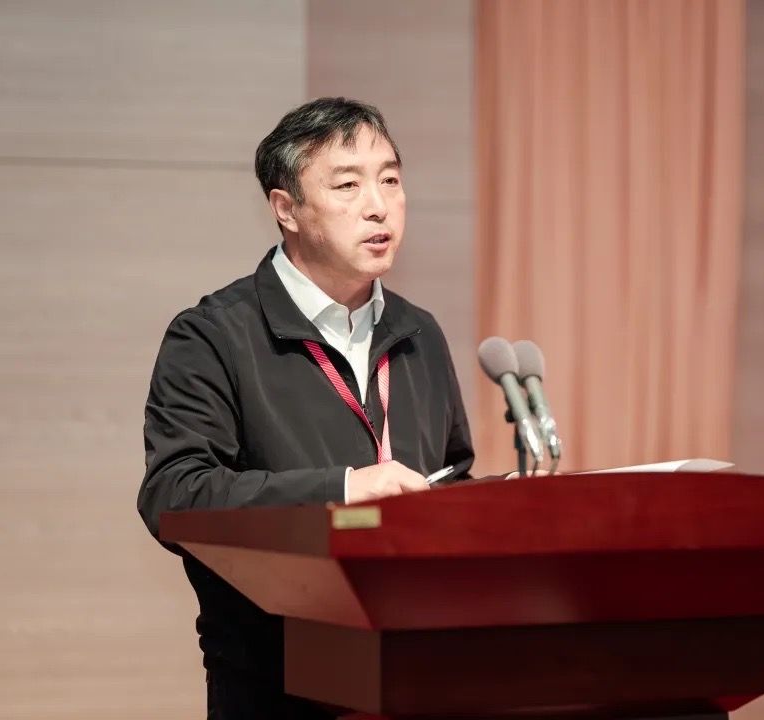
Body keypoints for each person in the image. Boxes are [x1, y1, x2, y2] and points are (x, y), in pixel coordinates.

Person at [137, 97, 475, 719]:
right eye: (348, 185)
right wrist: (342, 491)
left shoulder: (418, 332)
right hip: (280, 684)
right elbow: (174, 496)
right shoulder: (214, 336)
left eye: (390, 180)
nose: (378, 205)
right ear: (286, 208)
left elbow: (450, 476)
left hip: (421, 673)